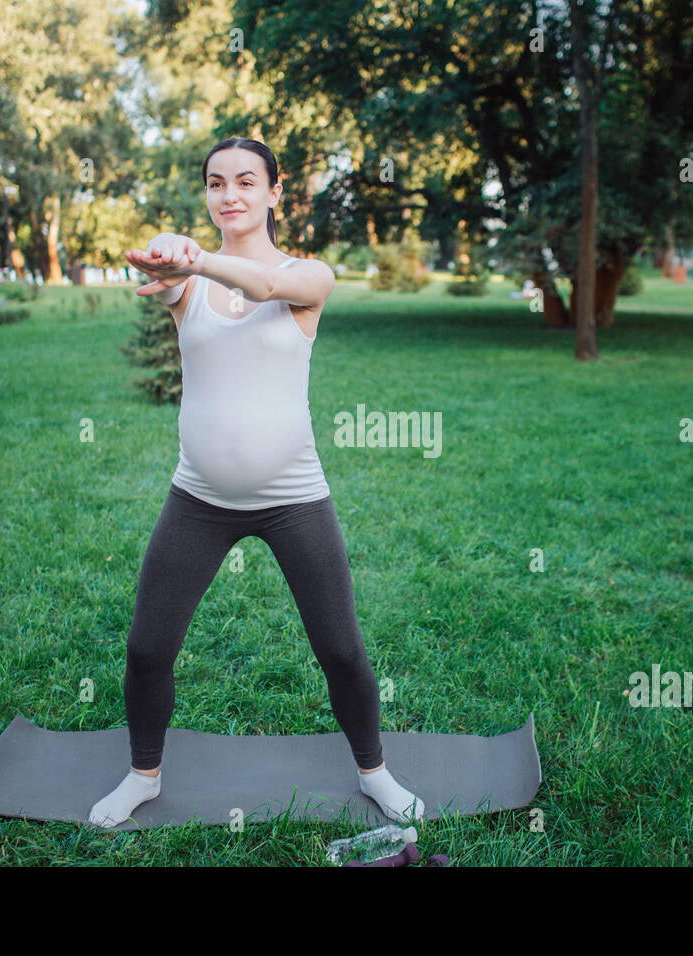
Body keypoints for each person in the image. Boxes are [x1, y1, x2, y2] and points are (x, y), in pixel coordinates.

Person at [88, 137, 426, 829]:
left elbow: (267, 286)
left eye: (246, 181)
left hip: (294, 499)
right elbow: (169, 261)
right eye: (215, 183)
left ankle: (376, 773)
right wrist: (171, 251)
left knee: (340, 647)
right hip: (198, 498)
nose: (229, 195)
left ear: (277, 193)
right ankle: (142, 776)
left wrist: (198, 255)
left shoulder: (311, 275)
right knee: (148, 646)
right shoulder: (189, 285)